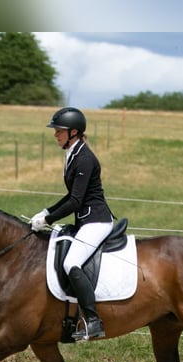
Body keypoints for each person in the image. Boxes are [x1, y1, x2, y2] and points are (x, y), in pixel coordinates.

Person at [30, 107, 114, 341]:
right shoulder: (74, 154)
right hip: (85, 220)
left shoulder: (85, 159)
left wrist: (48, 219)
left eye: (59, 131)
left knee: (72, 263)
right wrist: (47, 211)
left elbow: (76, 201)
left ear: (74, 132)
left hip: (96, 221)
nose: (55, 134)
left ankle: (94, 321)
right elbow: (72, 195)